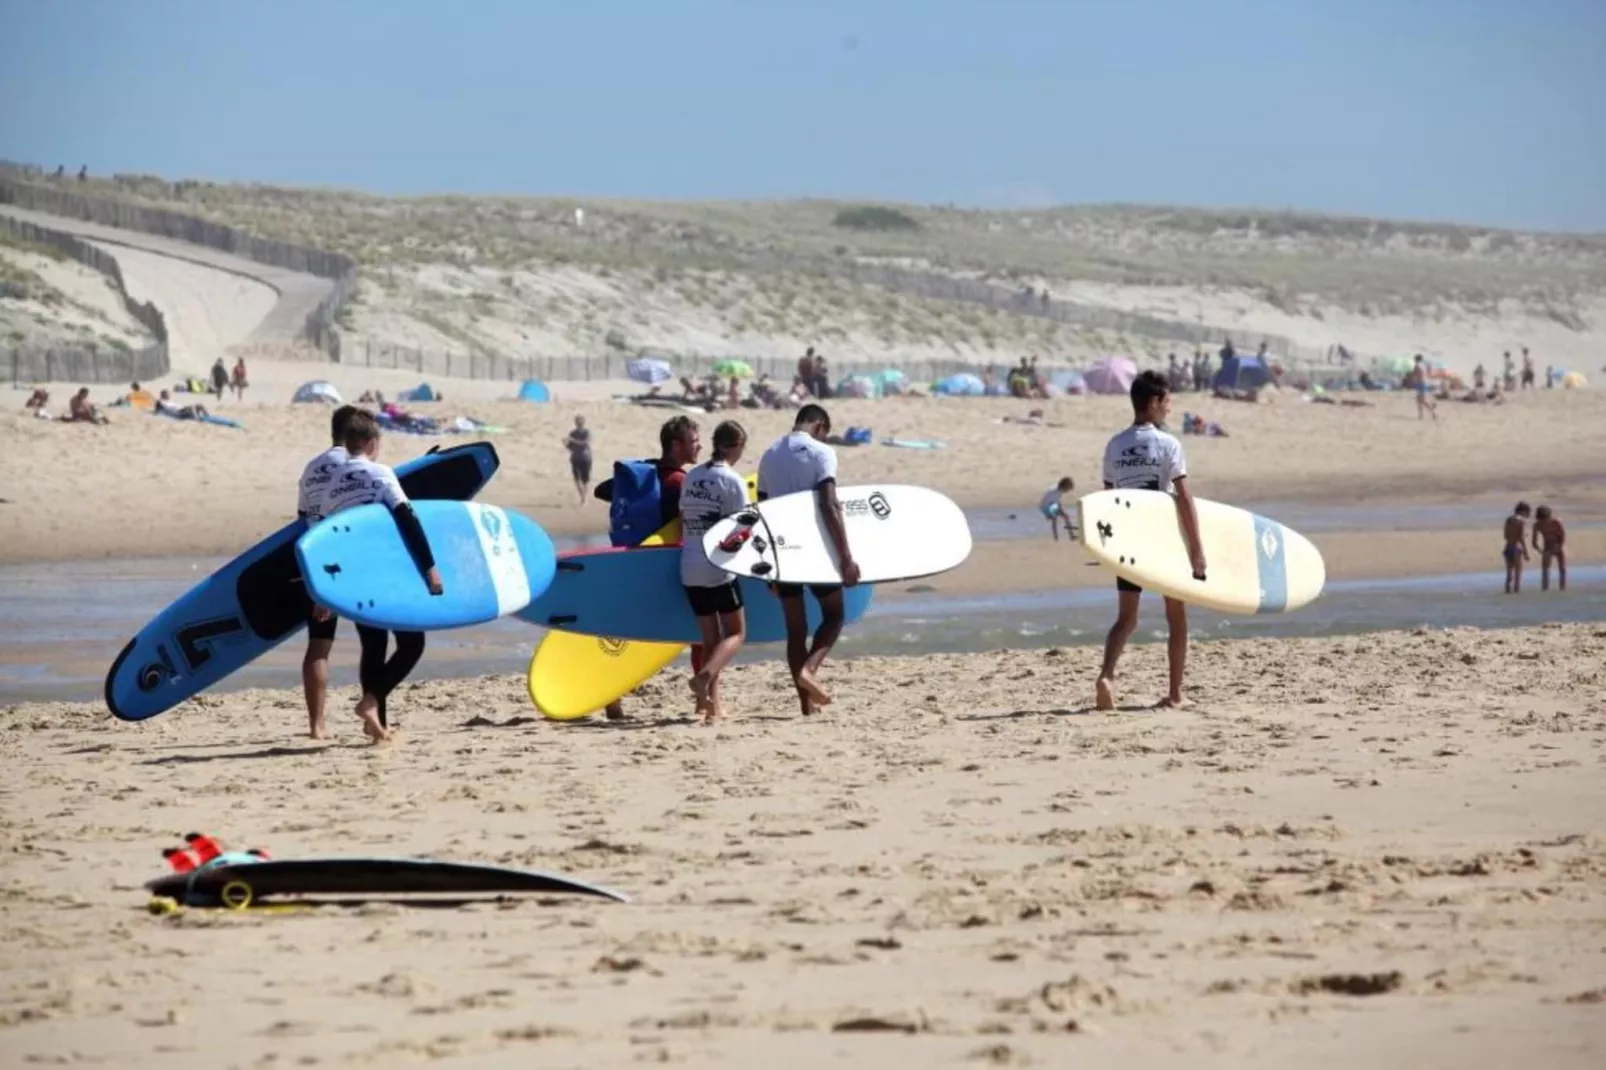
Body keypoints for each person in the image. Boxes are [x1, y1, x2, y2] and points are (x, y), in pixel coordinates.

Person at [299, 407, 444, 742]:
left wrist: (324, 589)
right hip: (380, 570)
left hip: (345, 573)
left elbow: (317, 534)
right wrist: (429, 568)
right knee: (411, 643)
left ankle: (374, 722)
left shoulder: (329, 483)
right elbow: (407, 518)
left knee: (373, 643)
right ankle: (371, 704)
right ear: (369, 442)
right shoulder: (379, 473)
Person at [1094, 370, 1205, 711]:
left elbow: (1109, 499)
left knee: (1126, 618)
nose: (1169, 409)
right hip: (1162, 541)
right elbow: (1184, 498)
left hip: (1128, 540)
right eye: (1167, 402)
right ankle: (1174, 694)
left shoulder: (1115, 445)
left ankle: (1106, 676)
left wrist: (1106, 547)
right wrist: (1197, 550)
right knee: (1176, 616)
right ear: (1153, 403)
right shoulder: (1168, 444)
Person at [596, 415, 702, 720]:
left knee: (625, 636)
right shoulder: (679, 481)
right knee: (701, 631)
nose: (699, 446)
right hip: (671, 564)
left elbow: (603, 491)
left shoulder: (651, 475)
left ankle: (612, 698)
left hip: (637, 561)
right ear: (676, 444)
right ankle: (704, 700)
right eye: (694, 441)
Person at [757, 403, 859, 715]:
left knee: (796, 630)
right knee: (834, 614)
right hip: (814, 549)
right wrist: (845, 557)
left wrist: (767, 567)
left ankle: (806, 705)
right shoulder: (821, 452)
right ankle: (809, 671)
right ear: (820, 428)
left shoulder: (769, 454)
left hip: (781, 551)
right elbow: (829, 505)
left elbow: (761, 509)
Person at [678, 420, 751, 724]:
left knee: (710, 640)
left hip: (689, 567)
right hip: (718, 567)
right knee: (735, 633)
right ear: (734, 447)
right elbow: (743, 525)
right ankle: (704, 676)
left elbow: (684, 515)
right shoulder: (732, 481)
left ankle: (712, 708)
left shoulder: (692, 476)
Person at [296, 404, 357, 739]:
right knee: (373, 638)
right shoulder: (352, 466)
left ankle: (316, 725)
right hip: (342, 560)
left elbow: (302, 518)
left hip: (312, 559)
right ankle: (374, 714)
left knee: (318, 645)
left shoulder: (311, 468)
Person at [1532, 505, 1565, 592]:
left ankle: (1562, 588)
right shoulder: (1537, 525)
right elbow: (1534, 542)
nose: (1545, 521)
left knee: (1562, 568)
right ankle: (1545, 589)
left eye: (1547, 519)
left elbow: (1562, 536)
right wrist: (1540, 551)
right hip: (1547, 548)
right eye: (1543, 519)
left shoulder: (1556, 522)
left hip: (1558, 545)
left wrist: (1559, 546)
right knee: (1545, 569)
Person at [562, 415, 593, 505]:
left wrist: (573, 440)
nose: (579, 424)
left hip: (586, 458)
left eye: (580, 422)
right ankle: (582, 497)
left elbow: (585, 443)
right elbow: (571, 448)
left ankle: (584, 498)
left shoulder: (587, 432)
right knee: (576, 479)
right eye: (577, 422)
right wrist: (565, 444)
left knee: (585, 480)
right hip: (575, 458)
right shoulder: (572, 433)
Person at [1503, 501, 1532, 594]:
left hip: (1508, 546)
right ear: (1523, 511)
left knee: (1509, 574)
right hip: (1517, 547)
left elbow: (1506, 535)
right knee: (1518, 574)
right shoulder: (1521, 521)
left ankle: (1507, 592)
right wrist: (1526, 552)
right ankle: (1516, 593)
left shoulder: (1509, 519)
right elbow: (1521, 538)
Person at [1040, 477, 1077, 541]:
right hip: (1045, 507)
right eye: (1068, 488)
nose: (1067, 490)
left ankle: (1071, 536)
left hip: (1052, 504)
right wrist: (1047, 514)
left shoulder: (1059, 490)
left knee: (1066, 517)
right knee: (1055, 518)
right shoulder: (1054, 491)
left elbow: (1056, 501)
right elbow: (1046, 502)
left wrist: (1061, 510)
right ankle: (1056, 537)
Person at [1412, 355, 1437, 422]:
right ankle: (1420, 415)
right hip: (1424, 383)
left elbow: (1415, 375)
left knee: (1421, 400)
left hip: (1420, 384)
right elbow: (1428, 374)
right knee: (1419, 400)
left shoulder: (1417, 366)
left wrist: (1414, 381)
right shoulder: (1424, 366)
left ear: (1416, 359)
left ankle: (1432, 411)